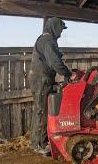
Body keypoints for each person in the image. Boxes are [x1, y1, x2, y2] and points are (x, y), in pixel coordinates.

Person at [28, 17, 71, 155]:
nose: (61, 33)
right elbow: (54, 62)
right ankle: (39, 145)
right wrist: (67, 74)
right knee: (41, 111)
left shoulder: (45, 39)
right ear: (54, 27)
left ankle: (37, 141)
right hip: (41, 79)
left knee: (40, 110)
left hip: (40, 78)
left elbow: (53, 58)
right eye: (60, 29)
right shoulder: (48, 41)